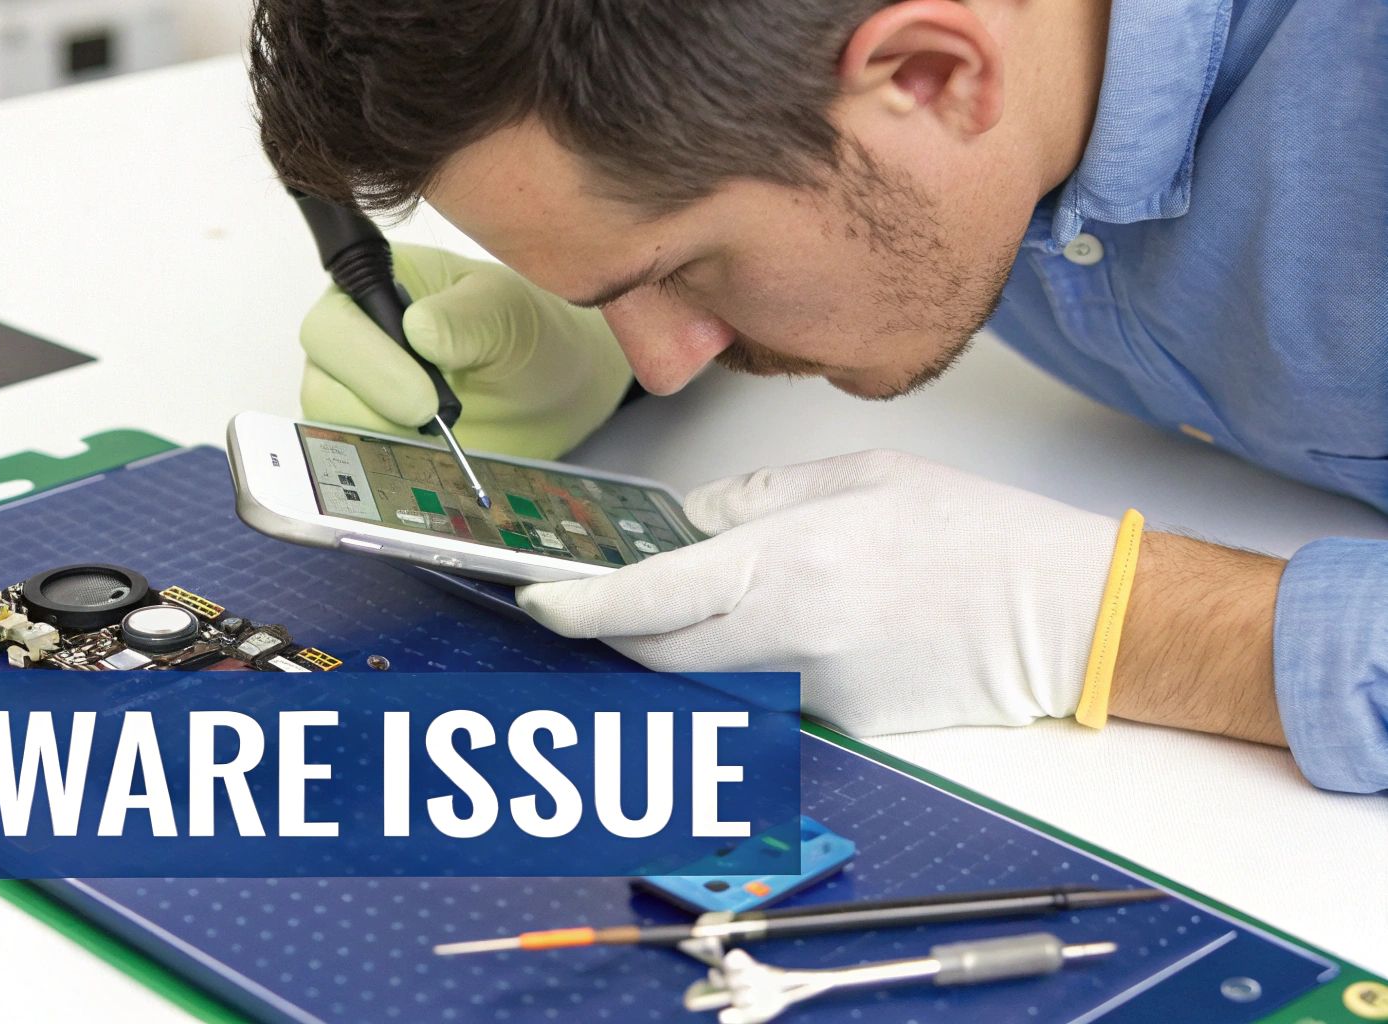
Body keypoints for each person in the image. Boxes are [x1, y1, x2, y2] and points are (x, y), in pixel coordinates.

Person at [247, 0, 1387, 794]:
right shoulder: (896, 108)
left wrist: (1127, 621)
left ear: (936, 74)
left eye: (679, 270)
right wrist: (595, 345)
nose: (662, 360)